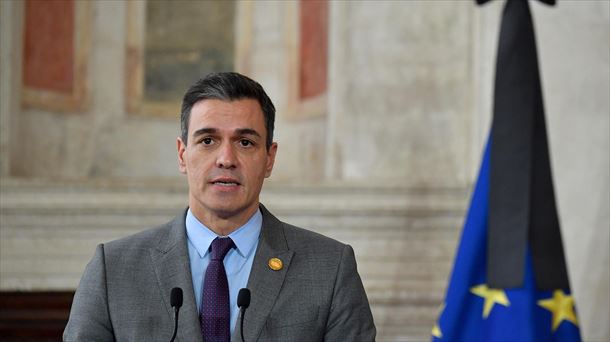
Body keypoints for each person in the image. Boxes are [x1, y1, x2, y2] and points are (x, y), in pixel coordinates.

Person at [63, 72, 376, 342]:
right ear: (182, 154)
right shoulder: (113, 269)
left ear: (269, 158)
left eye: (245, 142)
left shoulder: (330, 269)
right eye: (208, 141)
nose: (226, 158)